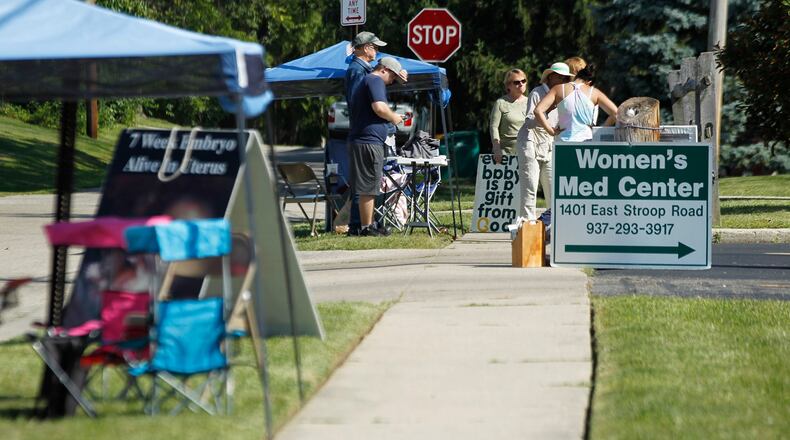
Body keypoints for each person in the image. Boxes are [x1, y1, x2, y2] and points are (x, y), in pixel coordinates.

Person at [348, 57, 407, 236]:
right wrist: (394, 117)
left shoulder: (368, 80)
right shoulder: (375, 80)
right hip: (368, 142)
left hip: (363, 140)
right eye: (392, 78)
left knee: (369, 185)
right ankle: (366, 228)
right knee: (369, 186)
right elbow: (379, 107)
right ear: (384, 70)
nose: (391, 82)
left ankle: (368, 224)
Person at [515, 62, 574, 219]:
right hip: (530, 142)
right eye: (561, 77)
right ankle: (528, 228)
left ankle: (552, 225)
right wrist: (546, 111)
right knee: (530, 188)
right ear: (551, 76)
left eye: (566, 78)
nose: (564, 80)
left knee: (553, 189)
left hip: (549, 144)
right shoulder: (537, 92)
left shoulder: (563, 96)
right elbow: (529, 122)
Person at [344, 32, 387, 235]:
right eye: (374, 47)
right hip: (363, 133)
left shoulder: (364, 69)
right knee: (364, 184)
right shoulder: (356, 70)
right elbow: (357, 101)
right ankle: (359, 225)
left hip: (364, 133)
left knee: (365, 183)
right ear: (365, 48)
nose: (376, 51)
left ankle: (361, 224)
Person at [534, 63, 618, 142]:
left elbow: (538, 111)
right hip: (586, 141)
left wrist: (550, 131)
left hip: (563, 142)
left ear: (576, 76)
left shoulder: (558, 89)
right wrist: (600, 130)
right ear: (589, 82)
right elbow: (616, 113)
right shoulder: (595, 92)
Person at [489, 69, 529, 164]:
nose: (521, 84)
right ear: (508, 85)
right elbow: (493, 127)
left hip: (527, 152)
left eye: (523, 81)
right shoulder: (501, 103)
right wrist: (496, 149)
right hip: (505, 154)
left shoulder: (531, 101)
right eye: (516, 82)